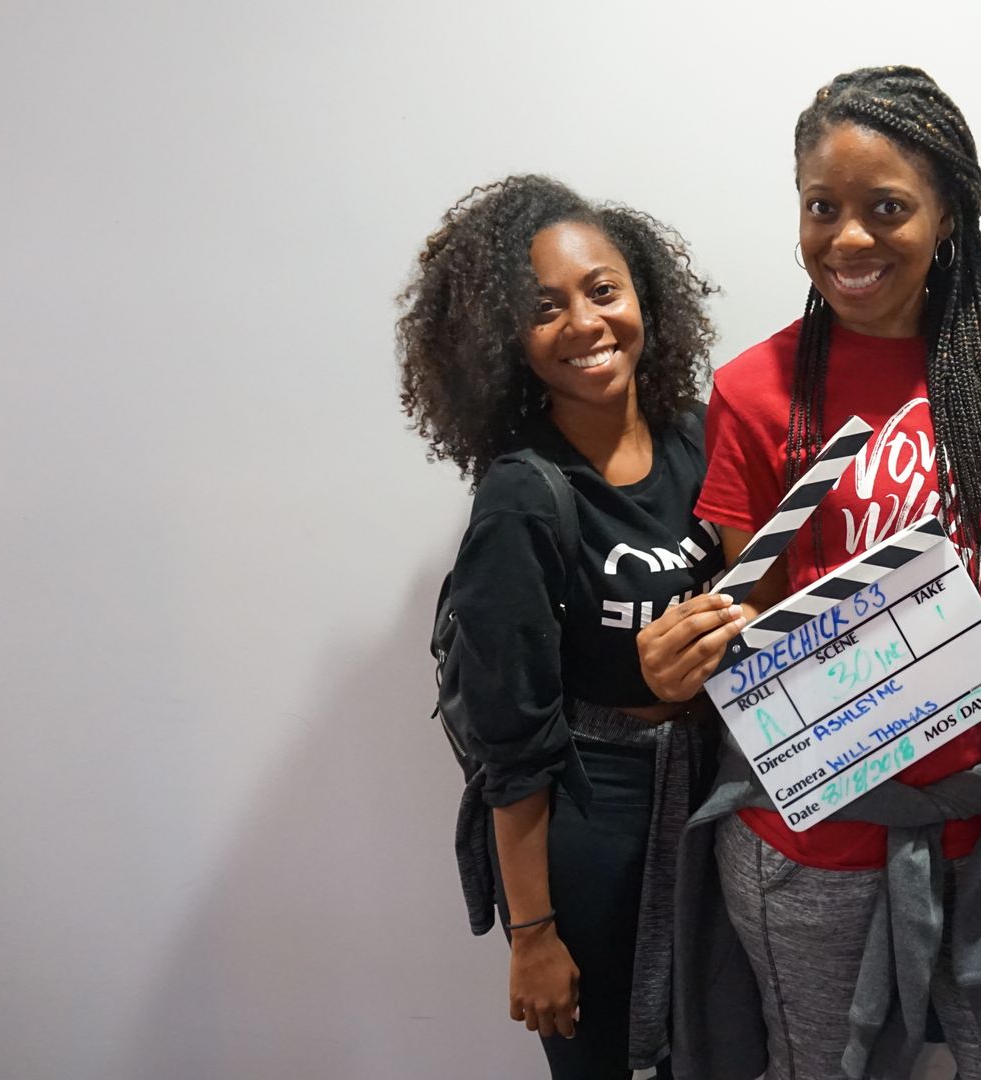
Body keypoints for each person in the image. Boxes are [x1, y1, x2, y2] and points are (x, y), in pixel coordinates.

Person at [637, 66, 981, 1080]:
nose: (847, 238)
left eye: (886, 208)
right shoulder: (754, 390)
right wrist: (678, 667)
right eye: (821, 207)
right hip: (811, 839)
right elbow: (746, 623)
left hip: (980, 819)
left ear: (948, 215)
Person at [397, 174, 723, 1079]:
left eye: (602, 290)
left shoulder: (701, 438)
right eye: (544, 309)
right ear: (505, 339)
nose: (585, 323)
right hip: (593, 820)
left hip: (712, 797)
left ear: (643, 294)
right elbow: (512, 743)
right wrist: (534, 933)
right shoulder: (522, 497)